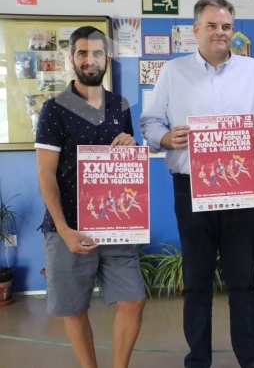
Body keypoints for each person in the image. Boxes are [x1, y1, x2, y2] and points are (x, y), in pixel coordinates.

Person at [138, 0, 254, 367]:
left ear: (233, 31)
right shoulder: (173, 72)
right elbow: (149, 123)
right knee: (197, 281)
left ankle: (250, 359)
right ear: (196, 30)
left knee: (242, 280)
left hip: (240, 187)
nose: (221, 32)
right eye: (213, 25)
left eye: (227, 27)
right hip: (190, 188)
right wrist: (168, 138)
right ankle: (198, 359)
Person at [34, 26, 146, 368]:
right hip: (69, 227)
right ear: (72, 60)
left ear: (107, 59)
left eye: (97, 53)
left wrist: (132, 145)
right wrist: (64, 229)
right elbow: (45, 174)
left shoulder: (120, 105)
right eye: (82, 53)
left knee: (133, 300)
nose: (90, 59)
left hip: (116, 224)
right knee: (74, 307)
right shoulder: (54, 109)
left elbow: (128, 160)